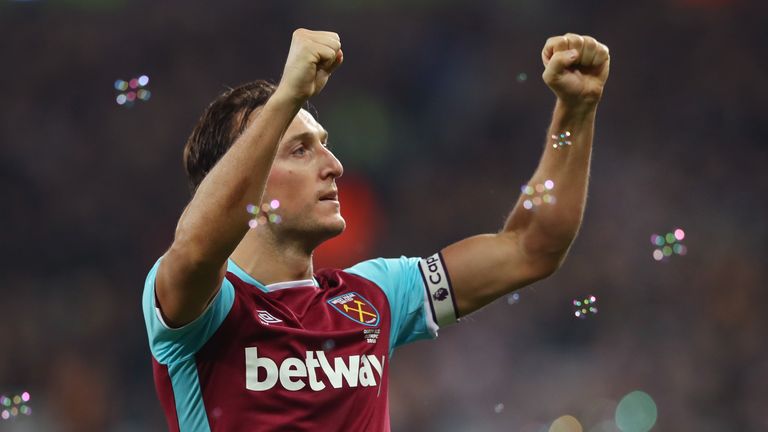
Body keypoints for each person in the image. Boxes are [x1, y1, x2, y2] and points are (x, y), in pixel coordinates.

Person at [141, 29, 610, 431]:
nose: (335, 166)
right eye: (300, 150)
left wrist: (578, 109)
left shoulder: (375, 296)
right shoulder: (203, 310)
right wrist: (287, 96)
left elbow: (531, 248)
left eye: (325, 146)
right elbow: (197, 247)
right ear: (246, 175)